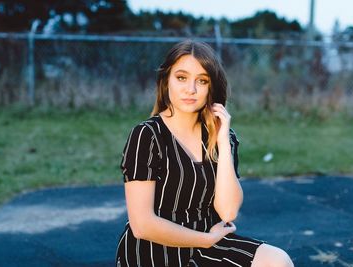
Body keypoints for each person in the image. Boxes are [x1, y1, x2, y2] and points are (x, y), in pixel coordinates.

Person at [115, 40, 294, 267]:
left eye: (202, 81)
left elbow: (227, 211)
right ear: (166, 80)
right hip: (154, 248)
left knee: (278, 261)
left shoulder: (222, 137)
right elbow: (142, 225)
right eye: (181, 78)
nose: (191, 89)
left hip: (209, 243)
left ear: (211, 87)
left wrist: (223, 142)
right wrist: (205, 240)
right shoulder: (147, 135)